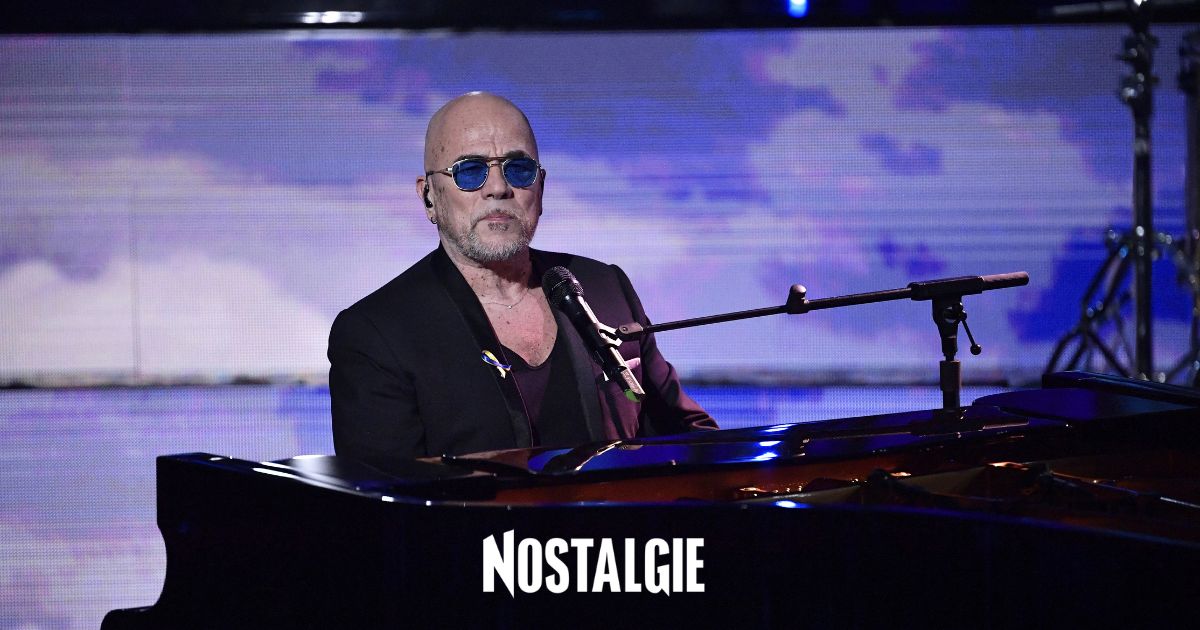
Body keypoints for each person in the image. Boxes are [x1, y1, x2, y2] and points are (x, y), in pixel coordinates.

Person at [328, 92, 716, 471]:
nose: (498, 188)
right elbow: (384, 494)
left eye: (519, 169)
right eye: (470, 171)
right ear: (429, 197)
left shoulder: (604, 287)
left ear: (541, 188)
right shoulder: (376, 333)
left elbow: (687, 436)